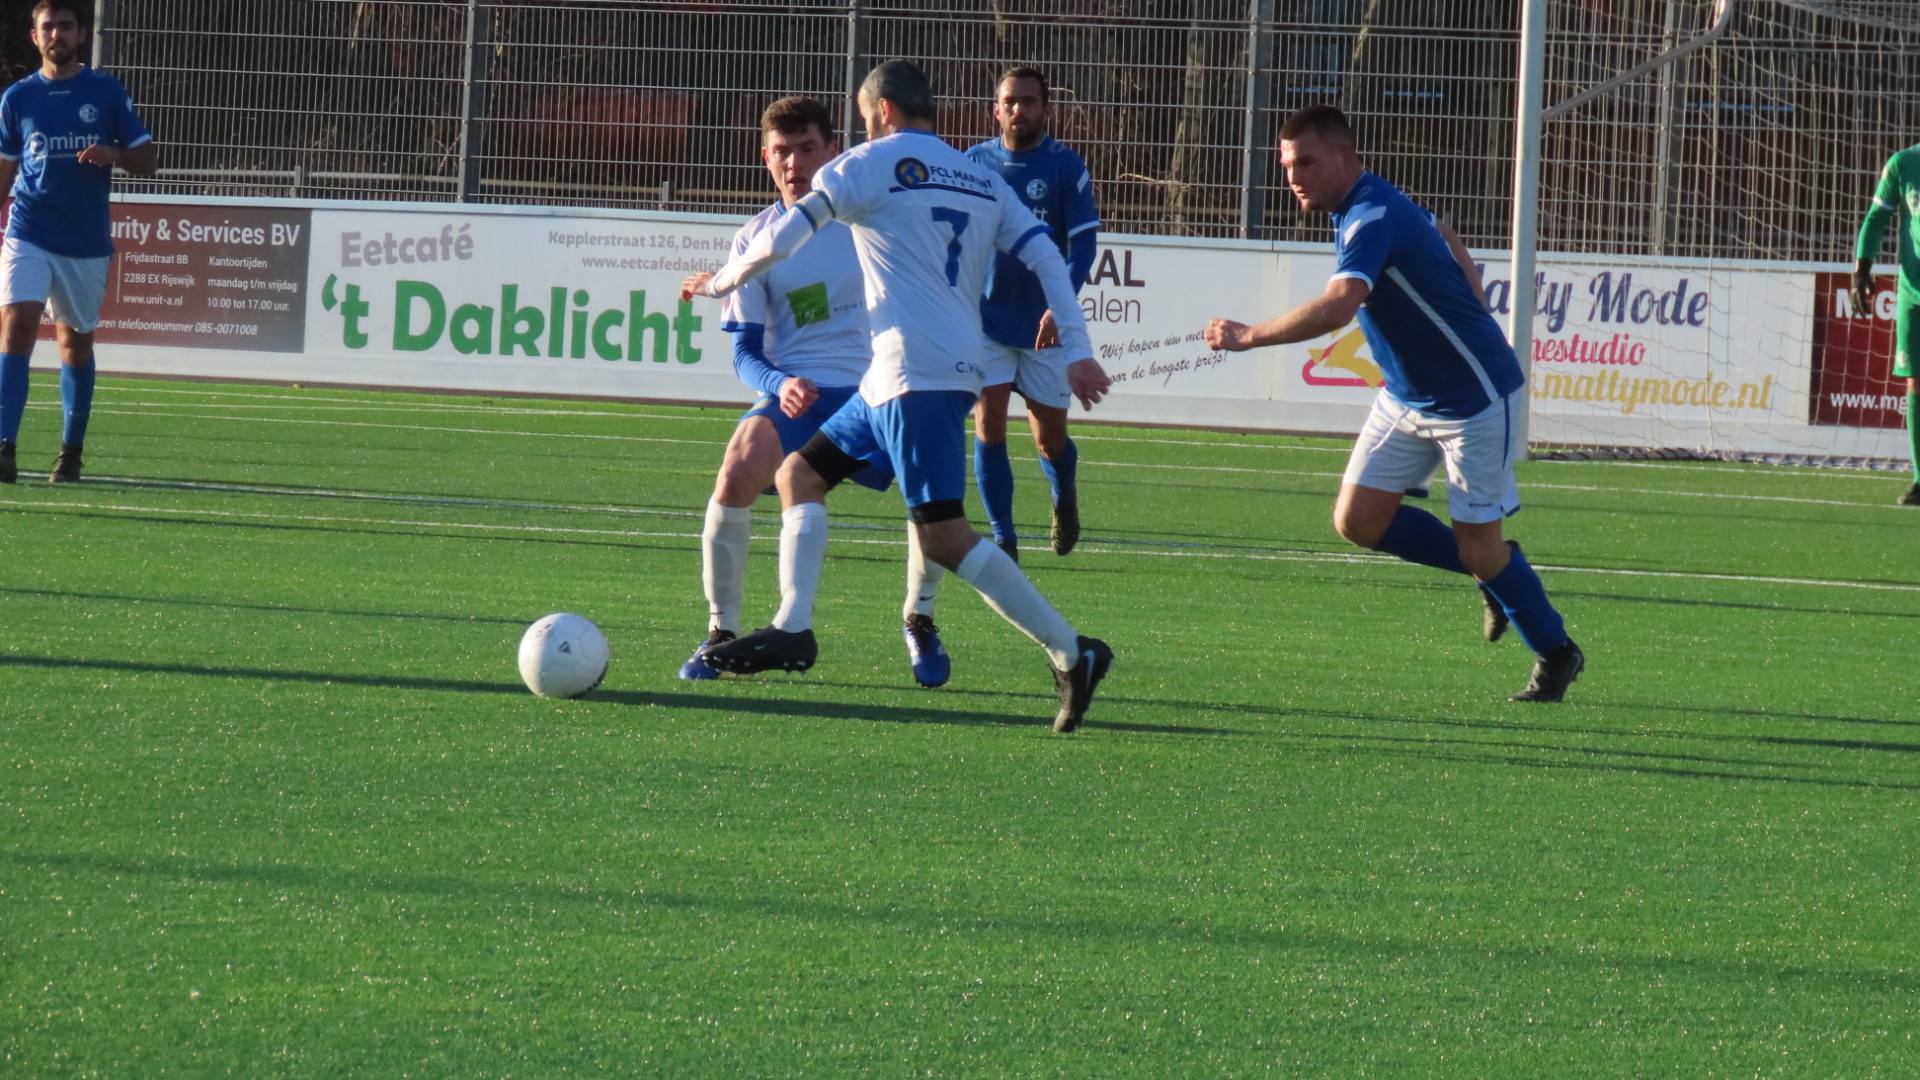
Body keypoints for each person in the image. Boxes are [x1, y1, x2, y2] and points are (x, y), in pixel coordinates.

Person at [684, 60, 1117, 732]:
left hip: (913, 377)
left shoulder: (864, 163)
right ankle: (794, 626)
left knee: (943, 535)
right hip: (914, 374)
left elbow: (784, 235)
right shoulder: (978, 175)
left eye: (862, 120)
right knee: (799, 473)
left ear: (881, 112)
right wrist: (1081, 350)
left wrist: (719, 282)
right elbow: (1046, 259)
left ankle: (1071, 648)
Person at [1203, 105, 1584, 703]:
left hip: (1474, 402)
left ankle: (1556, 653)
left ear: (1346, 157)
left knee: (1479, 549)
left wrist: (1248, 337)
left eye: (1306, 161)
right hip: (1405, 397)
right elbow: (1442, 233)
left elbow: (1337, 307)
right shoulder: (1370, 203)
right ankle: (1497, 571)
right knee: (1357, 522)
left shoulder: (1369, 214)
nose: (1293, 176)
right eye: (1286, 165)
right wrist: (1472, 297)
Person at [674, 96, 883, 680]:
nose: (795, 163)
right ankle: (722, 630)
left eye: (808, 148)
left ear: (834, 151)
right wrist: (781, 381)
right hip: (805, 395)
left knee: (935, 513)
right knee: (738, 465)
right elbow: (744, 352)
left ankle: (921, 619)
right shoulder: (754, 239)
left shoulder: (871, 220)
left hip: (881, 389)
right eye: (782, 152)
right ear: (764, 158)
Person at [0, 0, 156, 484]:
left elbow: (147, 160)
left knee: (74, 344)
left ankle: (70, 450)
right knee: (16, 327)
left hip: (85, 241)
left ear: (81, 35)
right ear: (34, 36)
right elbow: (6, 169)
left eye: (65, 27)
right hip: (28, 229)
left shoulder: (105, 91)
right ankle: (4, 447)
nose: (56, 35)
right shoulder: (17, 98)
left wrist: (114, 152)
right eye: (48, 27)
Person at [963, 66, 1100, 562]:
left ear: (1046, 109)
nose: (1018, 110)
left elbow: (1084, 245)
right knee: (988, 424)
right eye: (1009, 101)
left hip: (1045, 326)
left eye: (1028, 101)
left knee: (1049, 441)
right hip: (987, 321)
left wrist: (1058, 303)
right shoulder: (973, 163)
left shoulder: (1065, 167)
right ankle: (1005, 539)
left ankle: (1064, 497)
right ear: (995, 108)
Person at [1850, 144, 1920, 506]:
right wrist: (1862, 268)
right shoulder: (1904, 163)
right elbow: (1876, 219)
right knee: (1915, 379)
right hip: (1914, 291)